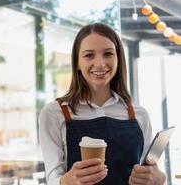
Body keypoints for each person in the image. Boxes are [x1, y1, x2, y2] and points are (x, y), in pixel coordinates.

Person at [39, 23, 166, 185]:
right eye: (89, 55)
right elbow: (52, 179)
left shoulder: (139, 114)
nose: (100, 64)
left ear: (118, 59)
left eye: (108, 54)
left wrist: (159, 178)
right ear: (77, 63)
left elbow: (147, 173)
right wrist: (65, 182)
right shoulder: (53, 113)